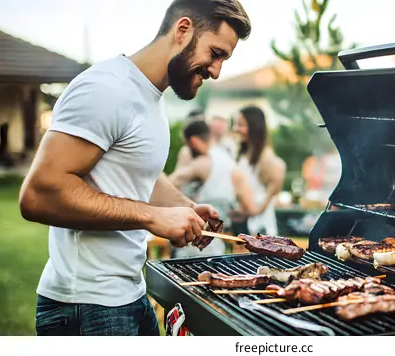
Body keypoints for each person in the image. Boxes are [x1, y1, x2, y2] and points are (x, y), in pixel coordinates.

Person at [18, 0, 251, 336]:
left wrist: (183, 207)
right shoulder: (106, 89)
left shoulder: (150, 97)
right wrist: (153, 217)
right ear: (183, 30)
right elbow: (39, 195)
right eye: (215, 53)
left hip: (129, 293)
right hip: (87, 305)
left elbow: (140, 171)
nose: (216, 71)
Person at [168, 120, 260, 257]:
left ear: (193, 141)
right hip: (216, 246)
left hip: (193, 246)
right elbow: (250, 208)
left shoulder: (201, 163)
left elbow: (169, 184)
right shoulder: (229, 162)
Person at [232, 106, 286, 236]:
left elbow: (277, 178)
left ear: (254, 127)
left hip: (260, 225)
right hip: (245, 221)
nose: (235, 129)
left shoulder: (265, 156)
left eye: (240, 125)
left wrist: (257, 210)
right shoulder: (244, 153)